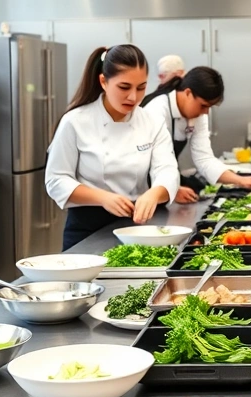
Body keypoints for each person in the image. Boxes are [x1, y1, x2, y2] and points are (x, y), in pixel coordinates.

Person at [46, 45, 180, 251]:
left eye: (141, 87)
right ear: (103, 82)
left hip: (138, 227)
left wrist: (153, 194)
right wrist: (103, 198)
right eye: (124, 87)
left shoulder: (152, 121)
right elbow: (56, 180)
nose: (133, 97)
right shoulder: (75, 121)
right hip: (87, 229)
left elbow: (167, 170)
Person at [141, 66, 251, 203]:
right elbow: (151, 162)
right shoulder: (157, 110)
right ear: (188, 93)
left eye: (209, 107)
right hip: (143, 188)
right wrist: (172, 189)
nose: (206, 112)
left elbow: (204, 158)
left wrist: (241, 180)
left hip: (163, 185)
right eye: (203, 106)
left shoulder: (197, 114)